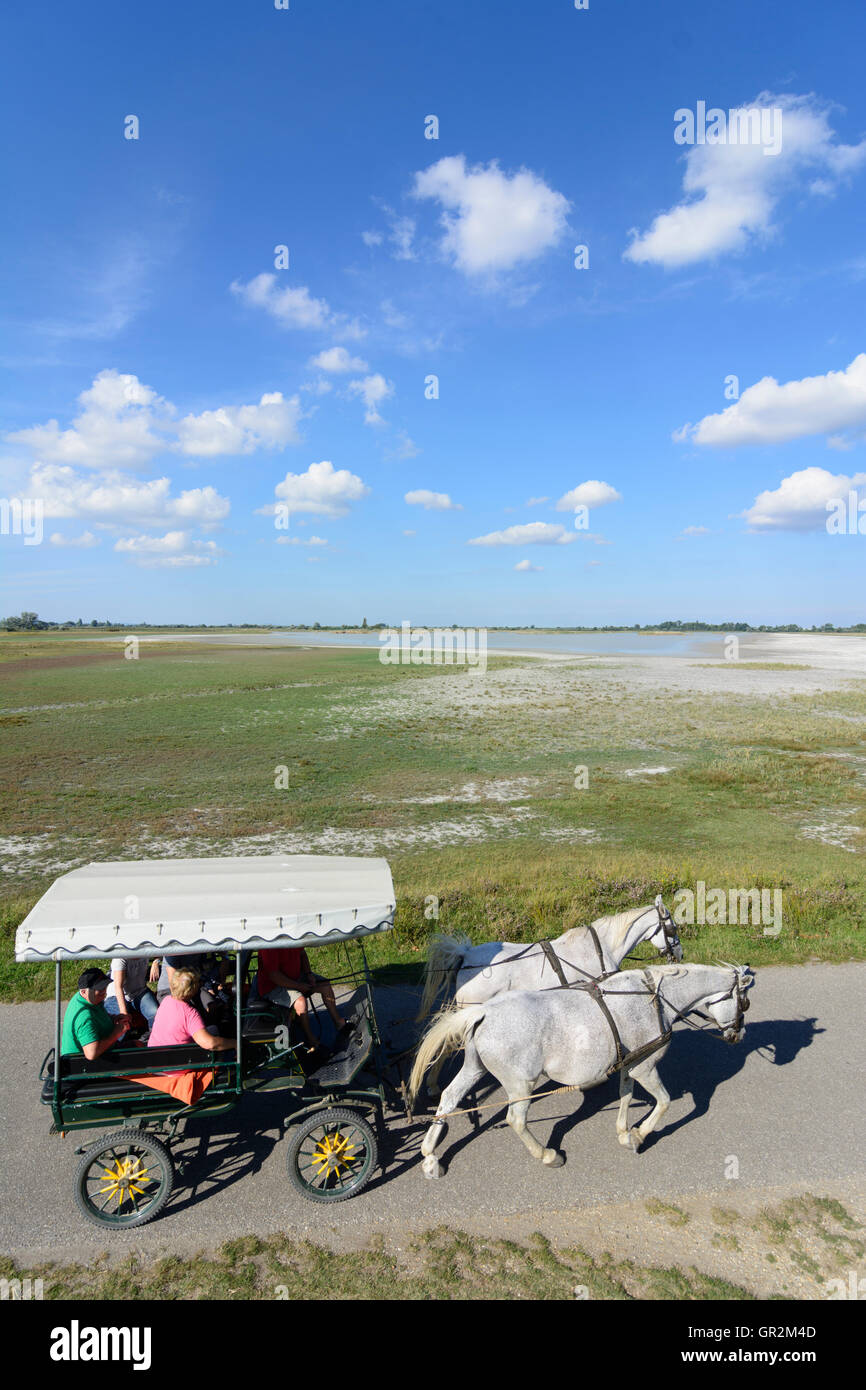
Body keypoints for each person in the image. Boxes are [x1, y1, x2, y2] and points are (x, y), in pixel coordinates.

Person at [256, 946, 350, 1054]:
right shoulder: (269, 944)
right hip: (273, 986)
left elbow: (302, 954)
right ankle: (311, 1040)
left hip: (296, 978)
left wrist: (308, 974)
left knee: (325, 985)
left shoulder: (293, 934)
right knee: (301, 1002)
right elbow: (274, 976)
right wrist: (299, 986)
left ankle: (339, 1023)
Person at [148, 967, 236, 1058]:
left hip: (154, 1059)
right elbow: (210, 1043)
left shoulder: (166, 1001)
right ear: (193, 989)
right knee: (214, 1030)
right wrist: (234, 1043)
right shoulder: (190, 1013)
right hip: (176, 1066)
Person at [61, 967, 132, 1059]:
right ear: (83, 992)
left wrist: (113, 1018)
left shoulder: (90, 999)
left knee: (138, 1045)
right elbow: (91, 1054)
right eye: (99, 989)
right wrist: (116, 1033)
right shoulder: (84, 1017)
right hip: (82, 1065)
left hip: (100, 1049)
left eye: (104, 986)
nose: (104, 992)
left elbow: (98, 1016)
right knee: (139, 1050)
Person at [105, 955, 159, 1027]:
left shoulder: (146, 950)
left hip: (139, 991)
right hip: (117, 994)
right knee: (121, 1023)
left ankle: (153, 1035)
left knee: (156, 1014)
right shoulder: (120, 958)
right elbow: (118, 987)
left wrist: (156, 962)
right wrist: (124, 1012)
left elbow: (161, 950)